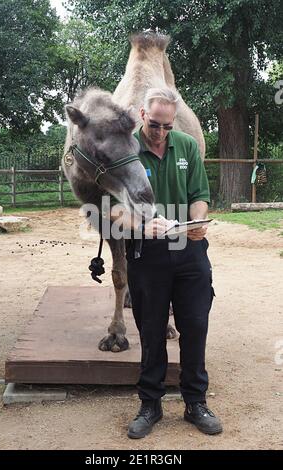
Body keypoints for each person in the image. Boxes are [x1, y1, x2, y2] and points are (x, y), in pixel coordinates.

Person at [112, 88, 222, 439]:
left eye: (167, 125)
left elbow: (200, 197)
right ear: (142, 115)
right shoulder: (124, 151)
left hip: (189, 250)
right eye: (155, 124)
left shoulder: (187, 146)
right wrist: (142, 225)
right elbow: (113, 210)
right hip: (147, 252)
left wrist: (198, 222)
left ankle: (196, 403)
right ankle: (150, 404)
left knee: (195, 326)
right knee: (151, 329)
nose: (160, 132)